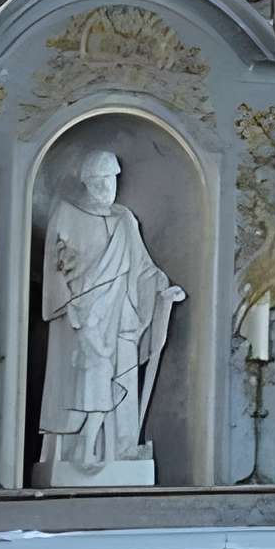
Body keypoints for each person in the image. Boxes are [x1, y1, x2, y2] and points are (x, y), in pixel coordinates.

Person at [38, 147, 182, 486]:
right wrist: (72, 309)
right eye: (101, 180)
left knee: (117, 383)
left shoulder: (124, 220)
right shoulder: (66, 213)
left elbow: (143, 268)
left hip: (121, 319)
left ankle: (119, 450)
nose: (108, 187)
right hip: (82, 319)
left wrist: (162, 291)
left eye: (112, 180)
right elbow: (54, 271)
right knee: (84, 385)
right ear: (87, 182)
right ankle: (76, 453)